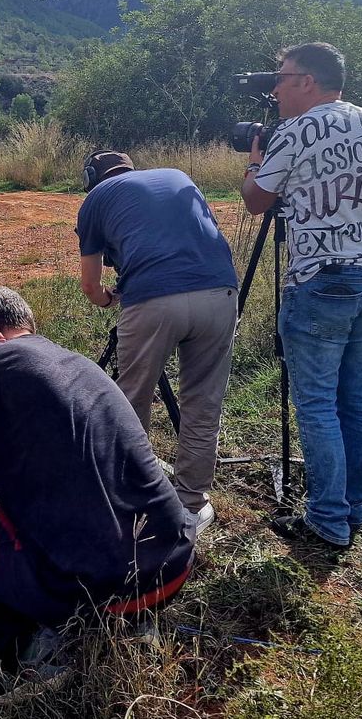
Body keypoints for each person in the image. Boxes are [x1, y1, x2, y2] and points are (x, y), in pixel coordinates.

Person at [0, 287, 196, 704]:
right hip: (171, 566)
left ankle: (26, 652)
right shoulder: (77, 361)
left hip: (98, 588)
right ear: (30, 327)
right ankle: (134, 624)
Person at [240, 42, 362, 549]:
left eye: (281, 76)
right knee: (358, 392)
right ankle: (353, 507)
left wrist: (257, 163)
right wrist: (355, 206)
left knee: (317, 401)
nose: (274, 87)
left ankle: (326, 518)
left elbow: (256, 202)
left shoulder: (296, 131)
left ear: (307, 81)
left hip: (323, 281)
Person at [75, 151, 239, 526]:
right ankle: (190, 505)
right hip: (219, 293)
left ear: (91, 177)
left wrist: (108, 299)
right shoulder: (178, 175)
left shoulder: (96, 199)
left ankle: (132, 498)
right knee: (203, 404)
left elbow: (90, 284)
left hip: (151, 299)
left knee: (131, 400)